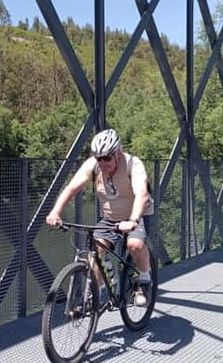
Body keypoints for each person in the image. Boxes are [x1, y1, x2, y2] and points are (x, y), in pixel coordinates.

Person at [46, 128, 152, 306]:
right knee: (95, 253)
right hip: (110, 217)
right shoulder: (92, 166)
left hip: (136, 214)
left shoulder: (133, 164)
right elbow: (71, 188)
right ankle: (99, 292)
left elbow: (142, 194)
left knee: (134, 244)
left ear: (117, 153)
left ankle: (144, 280)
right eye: (98, 158)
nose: (102, 163)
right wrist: (55, 212)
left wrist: (133, 220)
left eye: (107, 158)